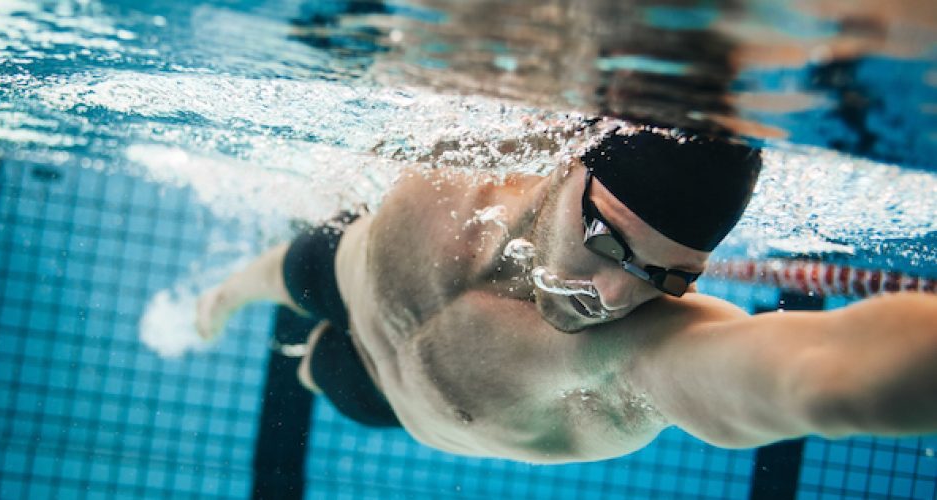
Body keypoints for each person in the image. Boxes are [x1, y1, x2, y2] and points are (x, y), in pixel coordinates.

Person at [195, 128, 937, 463]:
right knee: (284, 271)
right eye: (610, 242)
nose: (615, 295)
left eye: (667, 277)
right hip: (344, 268)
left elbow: (815, 372)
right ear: (570, 163)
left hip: (385, 399)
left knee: (315, 367)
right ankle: (221, 300)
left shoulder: (633, 357)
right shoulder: (473, 143)